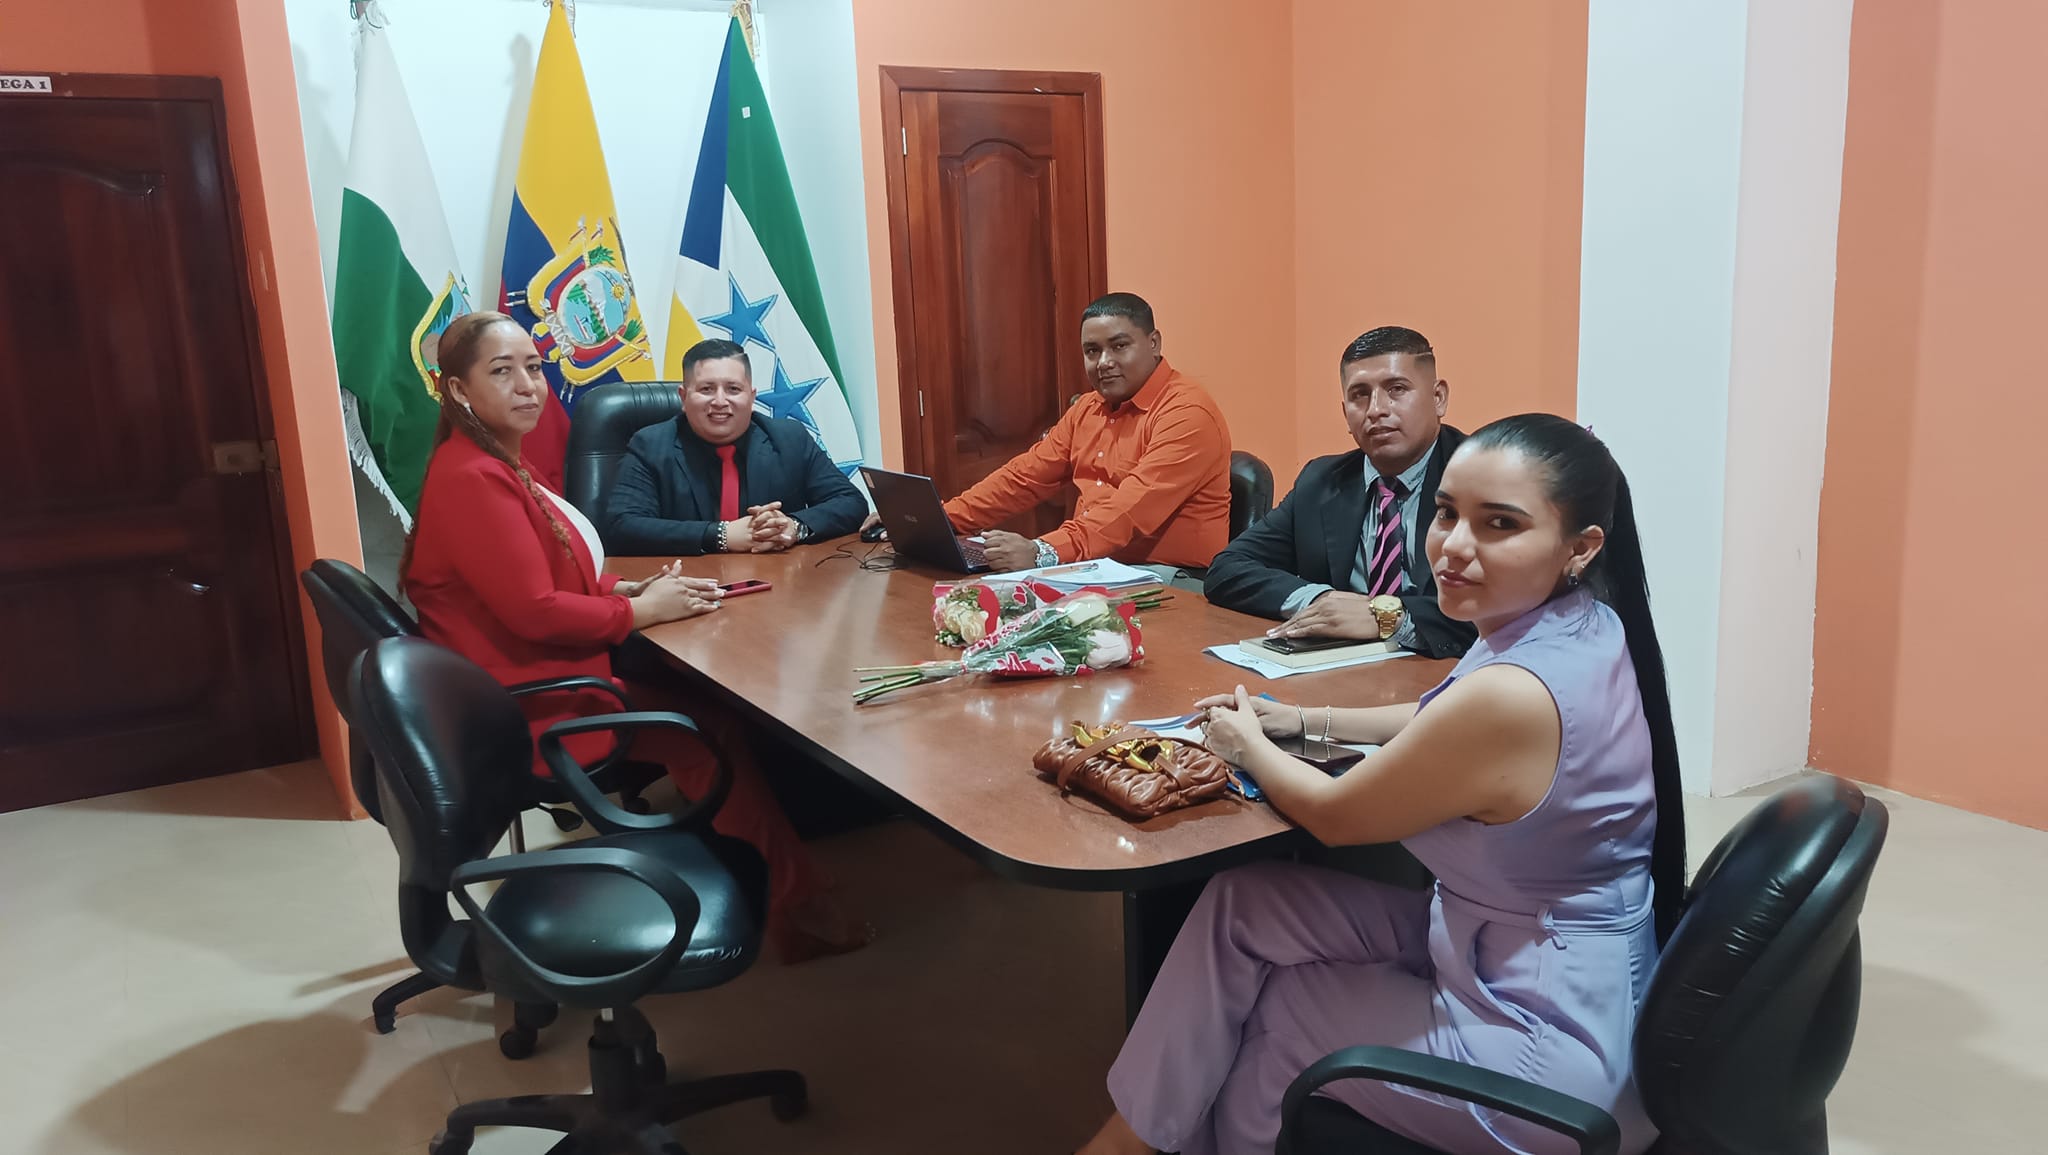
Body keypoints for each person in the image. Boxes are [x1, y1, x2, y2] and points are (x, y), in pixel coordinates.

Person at [1080, 414, 1685, 1155]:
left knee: (1281, 1009)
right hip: (1497, 945)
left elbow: (1335, 814)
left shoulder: (1515, 694)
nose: (1454, 545)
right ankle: (1142, 1134)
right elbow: (1439, 714)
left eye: (1500, 524)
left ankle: (1143, 1141)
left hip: (1543, 1045)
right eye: (1448, 512)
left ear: (1580, 547)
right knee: (1246, 902)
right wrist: (1305, 722)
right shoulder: (1571, 621)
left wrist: (1248, 745)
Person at [401, 312, 868, 963]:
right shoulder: (475, 477)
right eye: (502, 372)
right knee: (708, 732)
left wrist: (619, 589)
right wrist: (640, 611)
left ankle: (775, 881)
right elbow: (536, 610)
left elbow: (539, 573)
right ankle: (798, 903)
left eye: (533, 367)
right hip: (525, 703)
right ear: (458, 390)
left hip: (520, 676)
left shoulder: (493, 460)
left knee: (713, 722)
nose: (528, 385)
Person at [867, 292, 1231, 575]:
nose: (1104, 362)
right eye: (1092, 351)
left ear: (1154, 343)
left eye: (1119, 346)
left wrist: (1044, 551)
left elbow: (1130, 510)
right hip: (1095, 567)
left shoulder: (1187, 413)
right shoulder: (1088, 408)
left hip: (1170, 579)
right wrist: (938, 522)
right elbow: (1024, 478)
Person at [1204, 326, 1477, 658]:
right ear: (1345, 413)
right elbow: (1227, 569)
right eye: (1360, 394)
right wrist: (1321, 601)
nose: (1376, 409)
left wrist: (1386, 617)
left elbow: (1510, 606)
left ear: (1438, 398)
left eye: (1396, 389)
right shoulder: (1321, 481)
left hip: (1450, 669)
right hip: (1340, 668)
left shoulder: (1483, 478)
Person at [603, 337, 868, 556]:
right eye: (707, 389)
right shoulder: (650, 445)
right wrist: (721, 535)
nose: (720, 401)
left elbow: (851, 502)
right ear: (684, 397)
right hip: (688, 585)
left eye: (733, 389)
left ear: (751, 397)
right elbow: (621, 526)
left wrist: (793, 526)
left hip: (778, 584)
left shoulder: (789, 438)